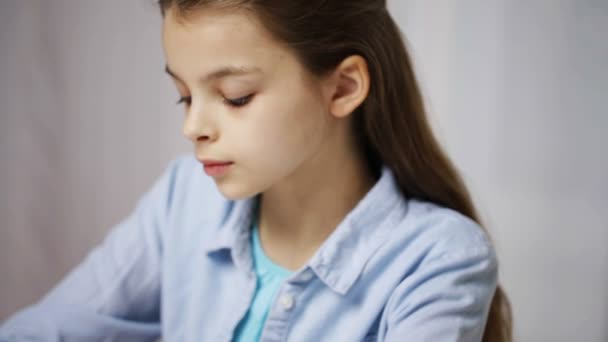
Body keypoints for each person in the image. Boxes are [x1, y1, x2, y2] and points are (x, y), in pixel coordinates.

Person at [0, 1, 512, 341]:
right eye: (184, 95)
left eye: (234, 97)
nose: (194, 126)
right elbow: (49, 329)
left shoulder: (437, 259)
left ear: (343, 88)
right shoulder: (184, 201)